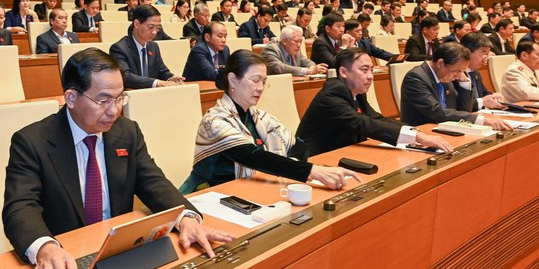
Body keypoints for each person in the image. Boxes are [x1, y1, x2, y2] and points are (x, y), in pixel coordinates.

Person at [3, 48, 234, 269]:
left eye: (119, 98)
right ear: (71, 97)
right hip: (66, 261)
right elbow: (20, 208)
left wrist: (187, 218)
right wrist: (45, 248)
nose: (114, 111)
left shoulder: (127, 131)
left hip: (119, 256)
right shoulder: (32, 141)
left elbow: (153, 182)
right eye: (103, 101)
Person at [179, 50, 361, 193]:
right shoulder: (214, 121)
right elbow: (254, 157)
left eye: (264, 82)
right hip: (211, 194)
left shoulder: (259, 117)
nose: (260, 88)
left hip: (252, 188)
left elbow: (298, 145)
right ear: (233, 80)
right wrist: (311, 171)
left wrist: (291, 167)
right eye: (255, 80)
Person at [297, 48, 452, 155]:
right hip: (316, 160)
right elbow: (365, 124)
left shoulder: (355, 92)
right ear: (343, 72)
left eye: (371, 70)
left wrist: (415, 132)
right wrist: (418, 138)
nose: (370, 76)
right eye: (364, 70)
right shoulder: (331, 96)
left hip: (343, 153)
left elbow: (377, 118)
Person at [400, 43, 510, 129]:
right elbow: (437, 112)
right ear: (440, 63)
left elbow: (464, 110)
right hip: (422, 132)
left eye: (462, 71)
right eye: (457, 71)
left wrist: (464, 83)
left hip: (447, 129)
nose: (458, 75)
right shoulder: (416, 78)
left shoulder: (446, 74)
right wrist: (481, 120)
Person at [109, 5, 184, 89]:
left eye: (158, 28)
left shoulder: (153, 46)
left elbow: (162, 71)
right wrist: (156, 83)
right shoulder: (119, 48)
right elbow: (125, 77)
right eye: (151, 27)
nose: (154, 32)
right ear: (136, 24)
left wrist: (170, 78)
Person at [454, 33, 506, 111]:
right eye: (483, 53)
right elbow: (458, 104)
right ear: (467, 52)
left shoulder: (475, 72)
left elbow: (484, 93)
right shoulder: (455, 73)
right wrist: (482, 102)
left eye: (487, 54)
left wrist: (494, 96)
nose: (485, 58)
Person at [261, 26, 328, 77]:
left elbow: (306, 61)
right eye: (296, 41)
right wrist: (307, 71)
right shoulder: (271, 49)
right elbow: (280, 68)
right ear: (284, 41)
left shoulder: (295, 49)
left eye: (300, 41)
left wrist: (313, 67)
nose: (299, 45)